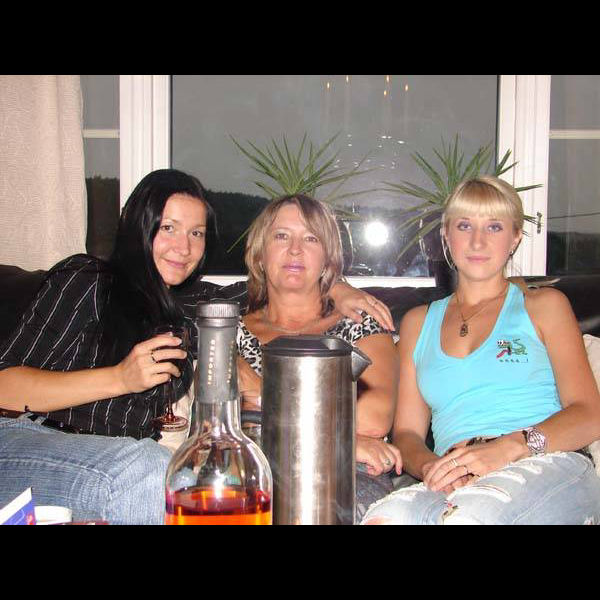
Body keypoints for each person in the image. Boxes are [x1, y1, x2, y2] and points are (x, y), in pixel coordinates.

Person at [0, 169, 393, 525]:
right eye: (168, 228)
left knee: (201, 484)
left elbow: (284, 284)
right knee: (156, 474)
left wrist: (336, 287)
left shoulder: (195, 305)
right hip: (31, 441)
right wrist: (119, 378)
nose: (183, 247)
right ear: (139, 225)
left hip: (123, 462)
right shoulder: (88, 280)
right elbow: (5, 386)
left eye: (196, 234)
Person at [361, 175, 600, 525]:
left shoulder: (544, 306)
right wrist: (432, 467)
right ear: (446, 235)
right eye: (464, 225)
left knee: (469, 518)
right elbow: (408, 434)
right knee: (384, 518)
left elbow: (590, 414)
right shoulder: (418, 323)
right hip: (459, 473)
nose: (477, 241)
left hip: (546, 460)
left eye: (494, 226)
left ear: (515, 237)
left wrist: (511, 446)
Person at [235, 194, 402, 521]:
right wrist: (342, 438)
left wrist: (260, 392)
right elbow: (217, 422)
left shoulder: (360, 323)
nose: (295, 249)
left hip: (346, 471)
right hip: (253, 469)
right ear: (259, 254)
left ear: (327, 260)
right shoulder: (232, 332)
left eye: (311, 238)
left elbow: (374, 417)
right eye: (281, 236)